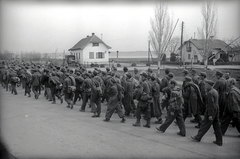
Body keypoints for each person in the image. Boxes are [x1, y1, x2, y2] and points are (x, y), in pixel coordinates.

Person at [191, 80, 223, 146]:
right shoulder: (215, 91)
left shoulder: (210, 93)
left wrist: (210, 114)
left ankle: (198, 137)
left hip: (211, 111)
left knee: (204, 125)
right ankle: (219, 141)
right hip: (216, 110)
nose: (205, 86)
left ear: (209, 85)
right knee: (217, 127)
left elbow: (211, 105)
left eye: (206, 85)